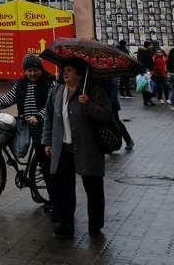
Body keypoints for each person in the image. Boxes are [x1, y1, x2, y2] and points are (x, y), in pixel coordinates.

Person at [42, 58, 114, 239]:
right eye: (64, 70)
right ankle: (65, 223)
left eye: (70, 70)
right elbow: (50, 116)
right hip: (64, 148)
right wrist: (48, 142)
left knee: (93, 188)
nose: (65, 73)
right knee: (64, 188)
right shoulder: (57, 91)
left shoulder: (92, 91)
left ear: (80, 74)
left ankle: (95, 225)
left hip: (88, 148)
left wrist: (89, 105)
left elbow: (107, 117)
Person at [0, 53, 56, 210]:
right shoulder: (21, 84)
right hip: (26, 127)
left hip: (45, 130)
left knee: (47, 167)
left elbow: (51, 106)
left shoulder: (50, 84)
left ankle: (55, 201)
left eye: (35, 70)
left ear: (41, 69)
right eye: (29, 71)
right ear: (25, 71)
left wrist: (39, 117)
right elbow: (7, 98)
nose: (32, 74)